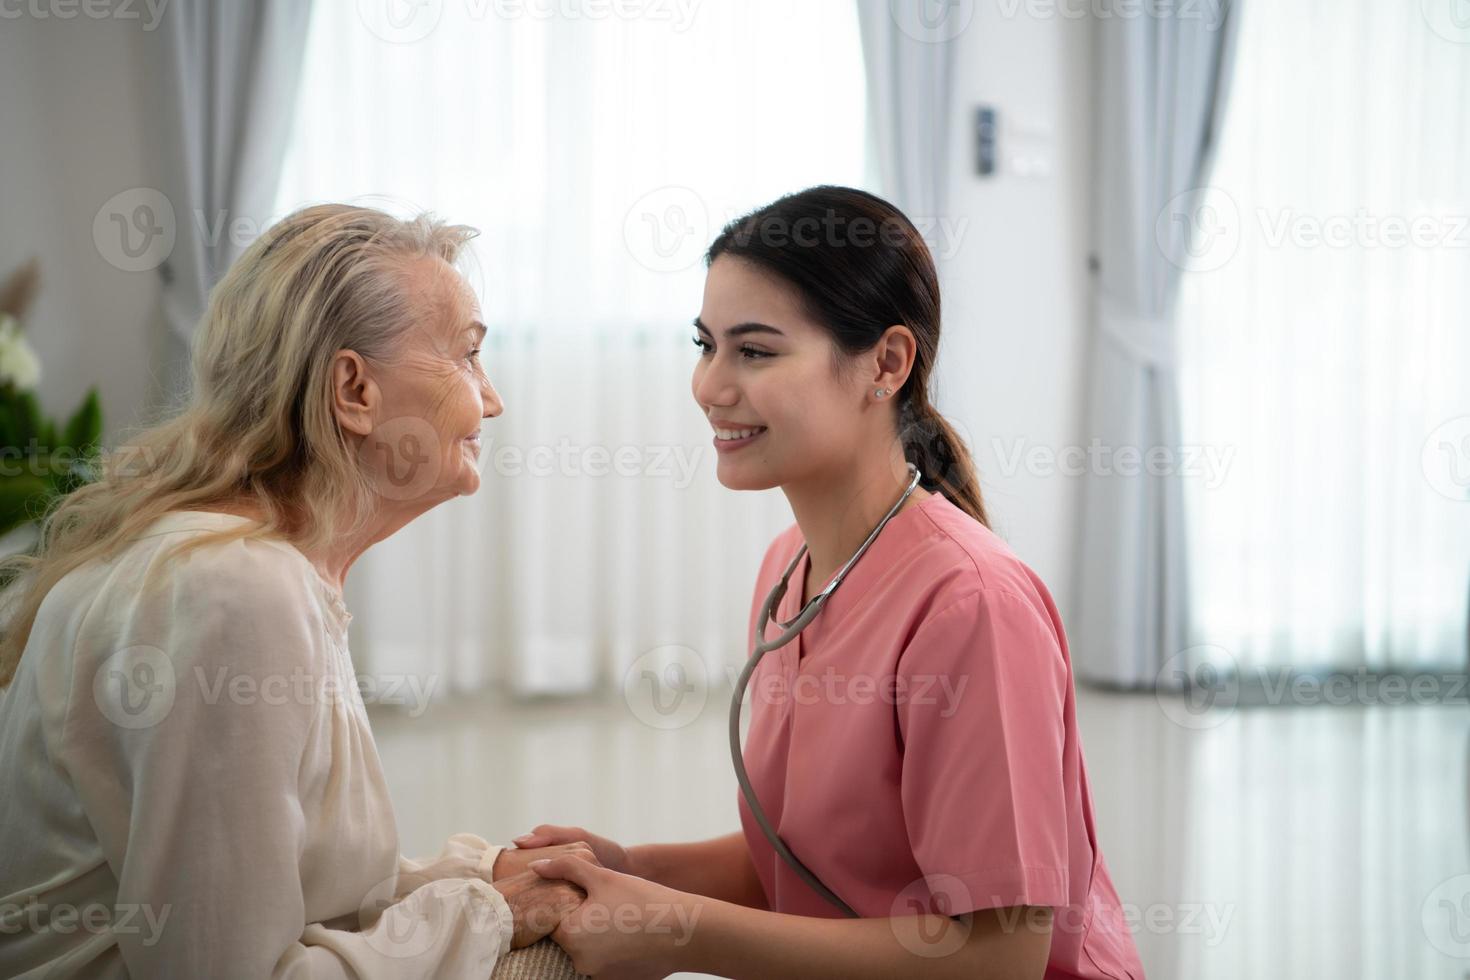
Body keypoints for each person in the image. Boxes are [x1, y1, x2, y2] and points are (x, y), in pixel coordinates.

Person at [516, 186, 1146, 979]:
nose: (709, 386)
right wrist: (629, 873)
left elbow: (1000, 955)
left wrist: (681, 933)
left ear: (885, 364)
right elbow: (805, 869)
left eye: (755, 351)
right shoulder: (789, 569)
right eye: (705, 344)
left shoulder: (971, 606)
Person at [0, 204, 593, 977]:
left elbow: (293, 889)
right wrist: (484, 916)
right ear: (354, 390)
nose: (491, 398)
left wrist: (473, 880)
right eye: (468, 356)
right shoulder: (234, 589)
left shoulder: (252, 566)